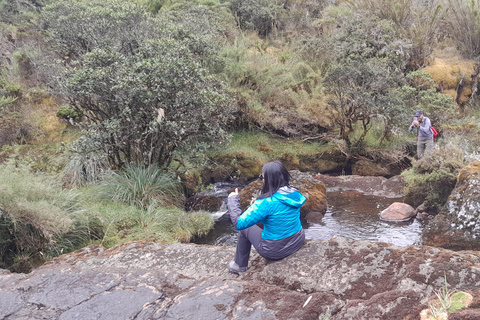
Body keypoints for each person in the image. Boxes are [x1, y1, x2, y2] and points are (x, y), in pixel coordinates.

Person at [226, 161, 306, 274]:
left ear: (268, 180)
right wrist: (257, 206)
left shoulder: (266, 202)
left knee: (244, 229)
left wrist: (233, 199)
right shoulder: (294, 193)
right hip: (297, 240)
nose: (261, 180)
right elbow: (278, 215)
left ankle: (239, 266)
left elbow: (239, 223)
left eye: (261, 177)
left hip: (274, 250)